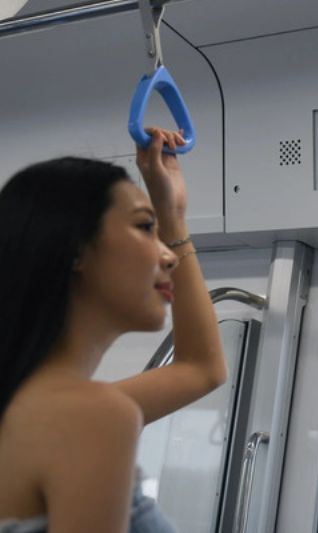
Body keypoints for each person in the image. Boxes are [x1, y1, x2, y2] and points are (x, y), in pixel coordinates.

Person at [0, 128, 226, 532]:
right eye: (144, 228)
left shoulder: (32, 407)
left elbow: (202, 368)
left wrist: (171, 216)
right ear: (76, 249)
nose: (168, 257)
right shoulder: (90, 415)